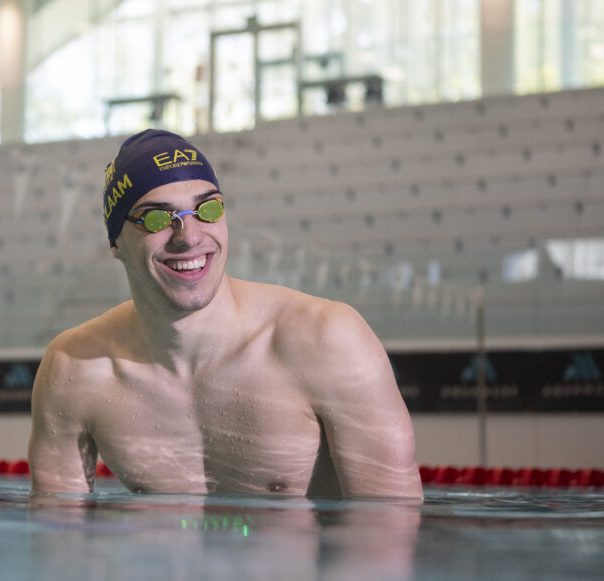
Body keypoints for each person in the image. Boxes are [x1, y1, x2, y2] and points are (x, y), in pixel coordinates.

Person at [28, 129, 422, 499]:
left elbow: (390, 536)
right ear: (116, 243)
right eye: (156, 218)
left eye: (208, 209)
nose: (191, 236)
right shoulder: (76, 369)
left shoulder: (325, 339)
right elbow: (62, 545)